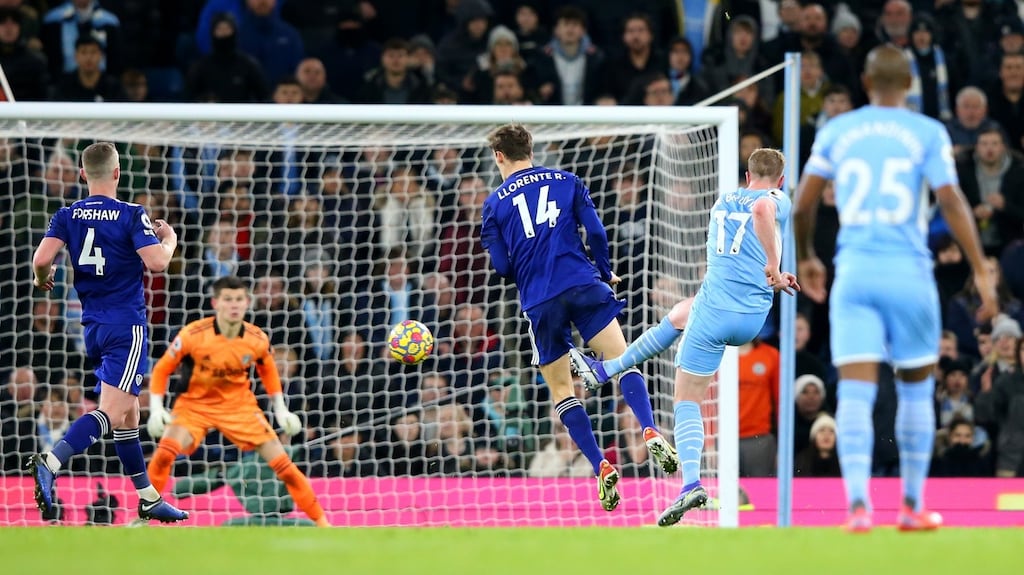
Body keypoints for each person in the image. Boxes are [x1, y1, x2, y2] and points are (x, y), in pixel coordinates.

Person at [794, 44, 1000, 533]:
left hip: (856, 274)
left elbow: (801, 206)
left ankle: (859, 507)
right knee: (914, 390)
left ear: (866, 84)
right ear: (909, 84)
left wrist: (805, 256)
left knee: (856, 395)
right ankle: (910, 505)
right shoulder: (927, 131)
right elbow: (951, 201)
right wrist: (981, 269)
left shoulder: (837, 129)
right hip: (909, 274)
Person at [571, 148, 800, 526]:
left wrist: (773, 266)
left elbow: (759, 212)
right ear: (780, 179)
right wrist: (775, 271)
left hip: (715, 316)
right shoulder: (779, 197)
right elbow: (762, 222)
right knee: (679, 313)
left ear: (747, 176)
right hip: (752, 318)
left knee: (687, 401)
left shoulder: (724, 201)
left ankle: (691, 483)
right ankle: (605, 370)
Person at [480, 123, 678, 512]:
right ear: (531, 149)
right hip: (584, 283)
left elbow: (502, 267)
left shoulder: (493, 204)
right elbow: (598, 233)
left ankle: (599, 464)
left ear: (499, 156)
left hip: (541, 300)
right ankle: (649, 427)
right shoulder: (567, 179)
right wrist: (603, 270)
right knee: (623, 360)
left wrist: (526, 264)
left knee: (562, 391)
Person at [28, 141, 188, 523]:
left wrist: (41, 279)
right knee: (112, 413)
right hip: (126, 326)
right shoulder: (132, 214)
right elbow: (158, 263)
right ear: (118, 172)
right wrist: (170, 239)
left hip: (93, 326)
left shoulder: (66, 214)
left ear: (82, 174)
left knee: (130, 415)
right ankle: (51, 461)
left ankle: (148, 497)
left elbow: (41, 260)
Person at [145, 276, 329, 527]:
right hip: (195, 407)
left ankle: (322, 523)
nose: (234, 305)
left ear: (247, 302)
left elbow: (269, 372)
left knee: (284, 466)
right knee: (166, 452)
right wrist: (156, 408)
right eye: (228, 299)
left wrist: (281, 410)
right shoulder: (193, 334)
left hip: (239, 408)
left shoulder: (256, 338)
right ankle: (143, 517)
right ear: (216, 303)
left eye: (239, 299)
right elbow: (162, 369)